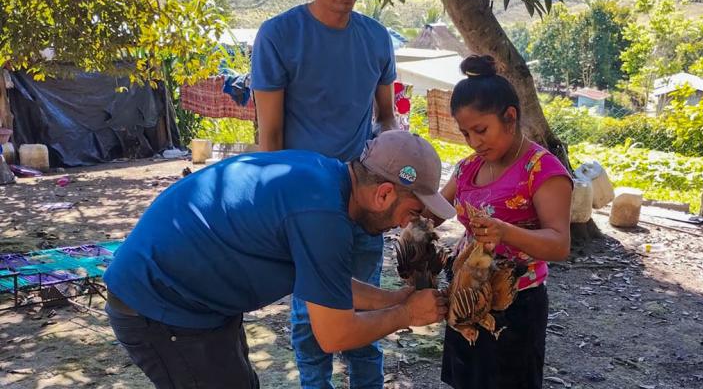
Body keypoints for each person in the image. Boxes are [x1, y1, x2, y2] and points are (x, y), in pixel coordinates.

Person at [103, 131, 455, 388]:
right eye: (412, 211)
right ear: (384, 194)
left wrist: (394, 299)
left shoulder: (322, 178)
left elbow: (326, 285)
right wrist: (407, 314)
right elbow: (334, 334)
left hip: (196, 301)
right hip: (161, 306)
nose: (406, 224)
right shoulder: (323, 217)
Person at [250, 0, 398, 386]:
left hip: (365, 202)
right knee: (310, 322)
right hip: (306, 206)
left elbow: (386, 118)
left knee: (366, 316)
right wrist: (277, 208)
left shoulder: (376, 37)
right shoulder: (279, 35)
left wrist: (397, 158)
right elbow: (271, 136)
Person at [429, 55, 573, 389]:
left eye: (481, 130)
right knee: (466, 381)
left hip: (515, 304)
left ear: (510, 117)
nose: (474, 142)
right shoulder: (469, 167)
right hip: (466, 293)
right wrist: (409, 204)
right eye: (466, 133)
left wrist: (505, 232)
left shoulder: (542, 170)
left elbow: (559, 244)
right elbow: (436, 210)